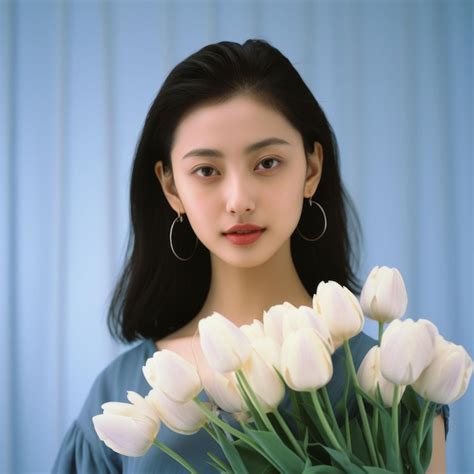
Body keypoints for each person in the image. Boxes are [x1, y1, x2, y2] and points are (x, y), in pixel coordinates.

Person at [52, 38, 449, 473]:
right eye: (207, 171)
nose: (239, 199)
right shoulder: (121, 399)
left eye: (267, 163)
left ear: (311, 169)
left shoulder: (394, 383)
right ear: (171, 188)